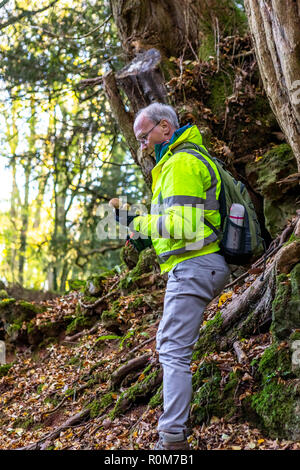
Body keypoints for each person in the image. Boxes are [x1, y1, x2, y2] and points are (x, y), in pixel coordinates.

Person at [111, 103, 230, 450]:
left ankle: (172, 439)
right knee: (170, 347)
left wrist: (139, 221)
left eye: (144, 138)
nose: (142, 147)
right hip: (195, 264)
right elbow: (180, 224)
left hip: (196, 266)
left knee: (173, 352)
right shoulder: (175, 163)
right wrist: (142, 231)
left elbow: (187, 226)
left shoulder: (181, 163)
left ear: (165, 127)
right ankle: (172, 432)